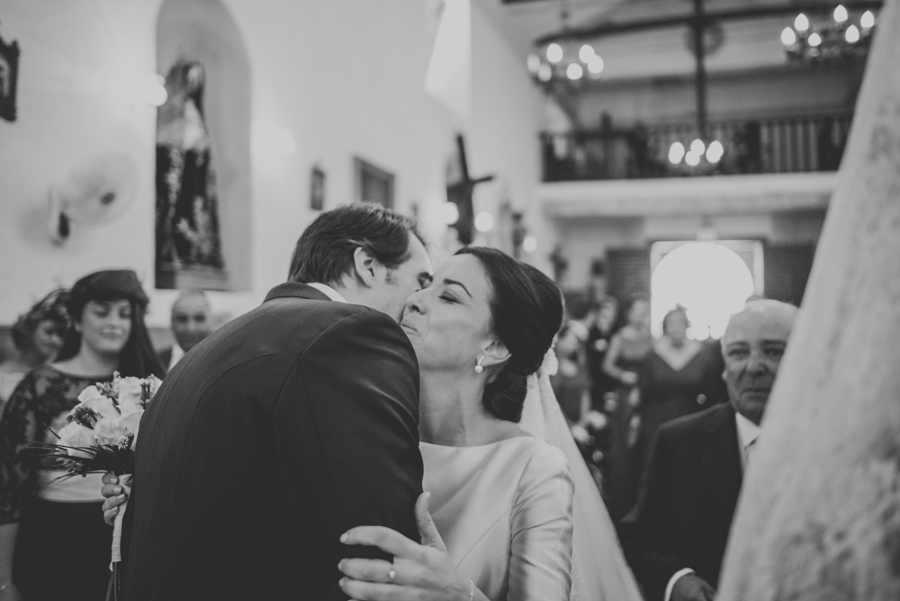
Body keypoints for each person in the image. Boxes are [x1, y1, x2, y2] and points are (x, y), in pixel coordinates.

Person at [109, 203, 432, 601]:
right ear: (367, 264)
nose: (421, 302)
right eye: (420, 281)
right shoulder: (349, 334)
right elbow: (379, 548)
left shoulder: (203, 352)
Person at [335, 247, 575, 601]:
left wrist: (455, 595)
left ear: (494, 346)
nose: (415, 299)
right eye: (426, 285)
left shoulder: (532, 468)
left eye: (448, 296)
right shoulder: (363, 434)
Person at [0, 270, 163, 601]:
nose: (114, 322)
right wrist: (4, 580)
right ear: (76, 319)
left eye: (124, 313)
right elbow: (8, 491)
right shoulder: (40, 386)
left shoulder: (151, 385)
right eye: (101, 311)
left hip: (129, 535)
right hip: (55, 534)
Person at [619, 300, 799, 601]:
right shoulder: (678, 442)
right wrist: (676, 579)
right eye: (739, 353)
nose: (754, 366)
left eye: (774, 351)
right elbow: (638, 538)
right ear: (725, 368)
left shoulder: (839, 444)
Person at [633, 307, 722, 474]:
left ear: (687, 325)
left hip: (691, 417)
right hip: (655, 420)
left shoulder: (702, 354)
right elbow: (643, 389)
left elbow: (713, 390)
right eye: (670, 324)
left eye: (679, 323)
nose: (675, 328)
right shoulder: (652, 356)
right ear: (664, 327)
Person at [602, 294, 653, 520]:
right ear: (629, 313)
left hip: (648, 396)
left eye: (646, 310)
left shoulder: (652, 338)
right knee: (625, 446)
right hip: (626, 397)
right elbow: (607, 366)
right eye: (639, 310)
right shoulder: (620, 337)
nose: (642, 314)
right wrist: (625, 376)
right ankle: (622, 501)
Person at [0, 290, 69, 415]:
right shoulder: (4, 372)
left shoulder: (59, 375)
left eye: (61, 335)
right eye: (48, 332)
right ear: (30, 330)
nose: (55, 340)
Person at [155, 290, 214, 373]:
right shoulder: (155, 362)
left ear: (212, 321)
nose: (190, 328)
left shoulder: (225, 361)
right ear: (171, 323)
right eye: (182, 319)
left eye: (199, 318)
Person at [584, 295, 619, 410]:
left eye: (612, 309)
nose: (608, 313)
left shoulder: (617, 334)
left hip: (613, 386)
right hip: (593, 385)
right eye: (605, 308)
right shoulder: (589, 333)